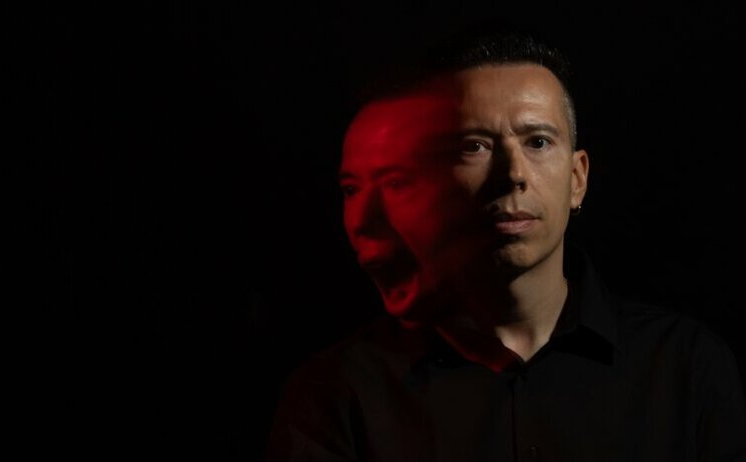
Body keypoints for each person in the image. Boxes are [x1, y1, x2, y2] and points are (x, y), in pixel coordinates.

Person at [266, 26, 746, 461]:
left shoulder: (685, 367)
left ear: (577, 179)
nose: (513, 173)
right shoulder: (339, 392)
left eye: (537, 142)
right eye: (474, 146)